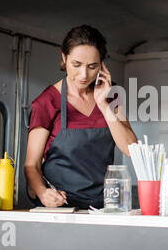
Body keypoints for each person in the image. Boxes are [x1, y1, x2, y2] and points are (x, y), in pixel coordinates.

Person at [24, 24, 137, 209]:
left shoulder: (111, 94)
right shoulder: (46, 102)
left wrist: (103, 104)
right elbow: (31, 165)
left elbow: (132, 149)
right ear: (64, 57)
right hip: (62, 208)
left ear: (102, 64)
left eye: (92, 66)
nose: (84, 75)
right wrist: (43, 194)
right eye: (76, 65)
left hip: (105, 208)